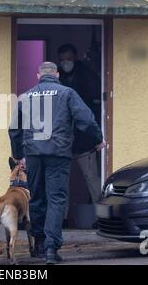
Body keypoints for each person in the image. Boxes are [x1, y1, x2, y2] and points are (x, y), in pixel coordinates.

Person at [9, 62, 105, 264]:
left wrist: (18, 155)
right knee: (56, 198)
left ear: (38, 76)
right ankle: (52, 249)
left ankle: (40, 245)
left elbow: (14, 129)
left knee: (36, 198)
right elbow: (85, 120)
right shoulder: (67, 93)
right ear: (57, 75)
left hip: (33, 154)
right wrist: (97, 140)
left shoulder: (26, 97)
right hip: (58, 154)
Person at [58, 43, 103, 203]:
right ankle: (61, 219)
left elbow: (92, 110)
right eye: (62, 60)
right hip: (63, 139)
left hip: (84, 140)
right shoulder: (58, 78)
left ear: (75, 57)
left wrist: (95, 137)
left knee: (92, 179)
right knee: (61, 183)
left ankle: (100, 216)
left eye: (68, 59)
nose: (66, 63)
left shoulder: (87, 76)